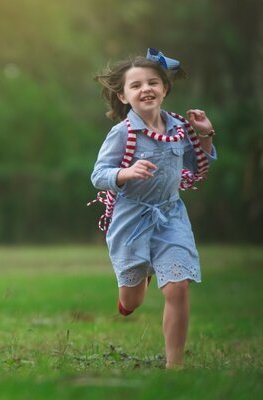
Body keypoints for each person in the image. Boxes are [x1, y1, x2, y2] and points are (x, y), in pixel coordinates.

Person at [90, 48, 217, 368]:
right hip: (131, 218)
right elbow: (98, 175)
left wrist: (205, 134)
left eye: (153, 82)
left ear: (164, 88)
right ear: (122, 96)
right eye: (136, 85)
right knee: (131, 301)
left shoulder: (179, 127)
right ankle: (137, 280)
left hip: (171, 215)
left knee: (177, 288)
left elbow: (197, 166)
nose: (145, 88)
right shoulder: (122, 134)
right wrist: (126, 172)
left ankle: (175, 365)